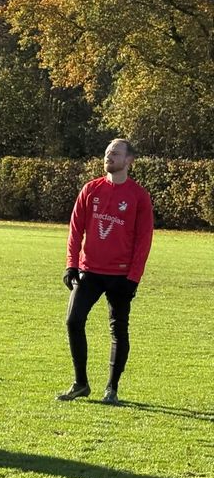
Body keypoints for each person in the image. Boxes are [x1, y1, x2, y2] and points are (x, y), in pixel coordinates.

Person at [57, 138, 153, 405]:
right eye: (108, 152)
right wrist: (71, 264)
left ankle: (112, 388)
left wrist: (133, 278)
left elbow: (144, 240)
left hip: (121, 276)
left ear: (129, 161)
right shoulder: (91, 190)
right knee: (73, 321)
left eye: (116, 153)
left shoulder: (139, 196)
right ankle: (80, 383)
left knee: (118, 329)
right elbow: (75, 231)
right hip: (90, 271)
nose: (109, 156)